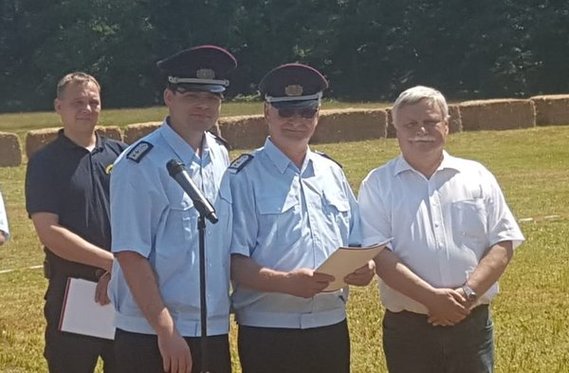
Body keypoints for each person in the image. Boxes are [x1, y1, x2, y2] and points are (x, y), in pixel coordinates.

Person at [358, 85, 525, 373]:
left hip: (471, 321)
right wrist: (432, 299)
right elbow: (379, 254)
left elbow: (503, 241)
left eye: (431, 121)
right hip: (408, 328)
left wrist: (467, 296)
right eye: (410, 123)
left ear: (447, 126)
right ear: (395, 129)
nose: (421, 130)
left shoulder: (477, 175)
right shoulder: (377, 184)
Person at [227, 63, 376, 373]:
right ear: (267, 112)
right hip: (269, 329)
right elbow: (233, 262)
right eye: (285, 112)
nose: (296, 121)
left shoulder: (332, 172)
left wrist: (366, 269)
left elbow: (356, 242)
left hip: (330, 325)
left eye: (306, 112)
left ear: (318, 114)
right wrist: (286, 283)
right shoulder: (243, 177)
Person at [108, 45, 237, 373]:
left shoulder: (220, 156)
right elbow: (130, 253)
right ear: (169, 96)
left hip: (211, 328)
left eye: (212, 97)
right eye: (192, 95)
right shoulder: (140, 164)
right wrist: (165, 329)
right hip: (153, 333)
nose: (203, 105)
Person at [25, 72, 127, 372]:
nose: (87, 109)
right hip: (74, 291)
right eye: (77, 102)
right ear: (59, 106)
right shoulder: (45, 163)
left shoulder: (121, 156)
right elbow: (50, 232)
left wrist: (120, 271)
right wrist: (113, 263)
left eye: (93, 102)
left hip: (125, 288)